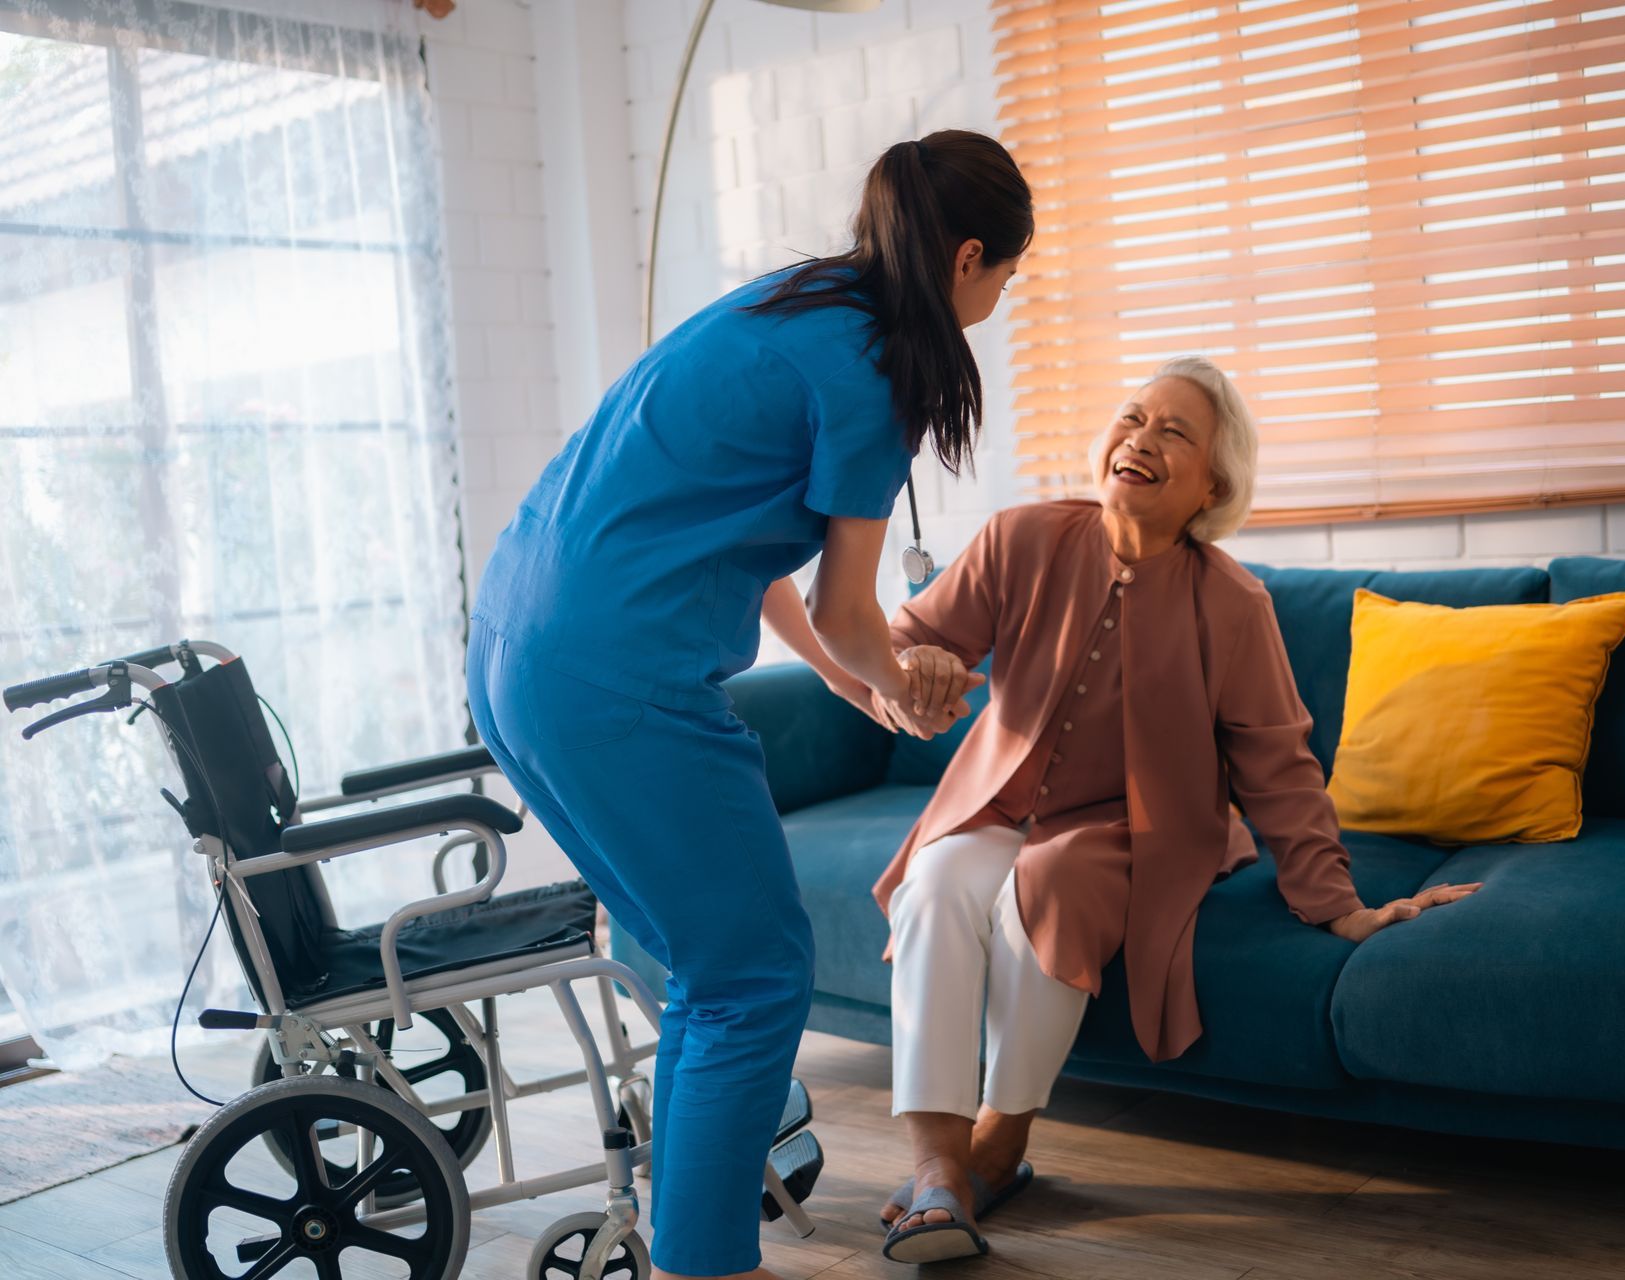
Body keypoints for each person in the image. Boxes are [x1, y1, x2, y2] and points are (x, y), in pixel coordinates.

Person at [465, 130, 1030, 1280]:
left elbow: (748, 541)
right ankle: (707, 1263)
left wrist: (838, 676)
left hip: (516, 649)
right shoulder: (880, 367)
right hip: (619, 674)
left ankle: (693, 1245)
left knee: (702, 966)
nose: (999, 299)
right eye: (1006, 276)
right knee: (756, 970)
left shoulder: (789, 304)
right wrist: (905, 688)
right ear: (970, 254)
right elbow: (854, 609)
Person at [857, 357, 1481, 1261]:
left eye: (1173, 434)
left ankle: (1002, 1142)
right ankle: (938, 1169)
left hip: (1129, 829)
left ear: (1211, 487)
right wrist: (914, 671)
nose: (1141, 440)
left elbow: (1279, 764)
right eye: (1132, 418)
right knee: (939, 877)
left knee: (1052, 879)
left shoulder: (1234, 603)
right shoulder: (1020, 537)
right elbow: (910, 637)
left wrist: (1335, 903)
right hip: (998, 803)